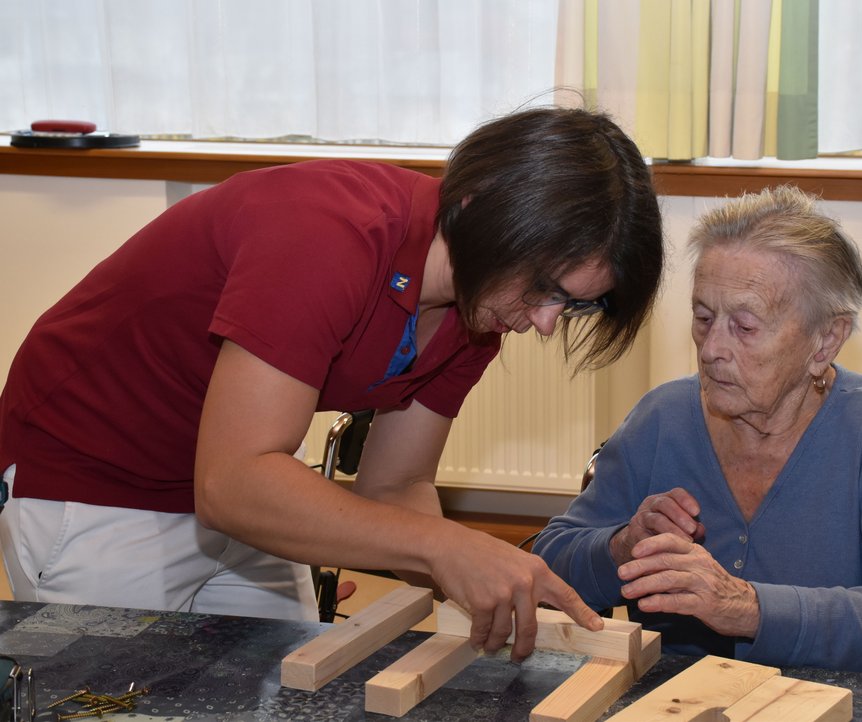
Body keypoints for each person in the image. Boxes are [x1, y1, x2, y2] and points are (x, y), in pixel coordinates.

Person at [0, 107, 665, 662]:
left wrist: (478, 583)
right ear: (479, 208)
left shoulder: (480, 306)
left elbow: (394, 486)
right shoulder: (329, 233)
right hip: (91, 482)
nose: (546, 323)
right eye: (545, 289)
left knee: (277, 684)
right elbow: (233, 484)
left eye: (573, 304)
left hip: (228, 489)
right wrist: (446, 547)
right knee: (114, 698)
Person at [534, 185, 862, 677]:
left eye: (744, 327)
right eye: (702, 317)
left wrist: (748, 607)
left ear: (825, 339)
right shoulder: (663, 417)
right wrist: (622, 546)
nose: (710, 348)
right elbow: (548, 566)